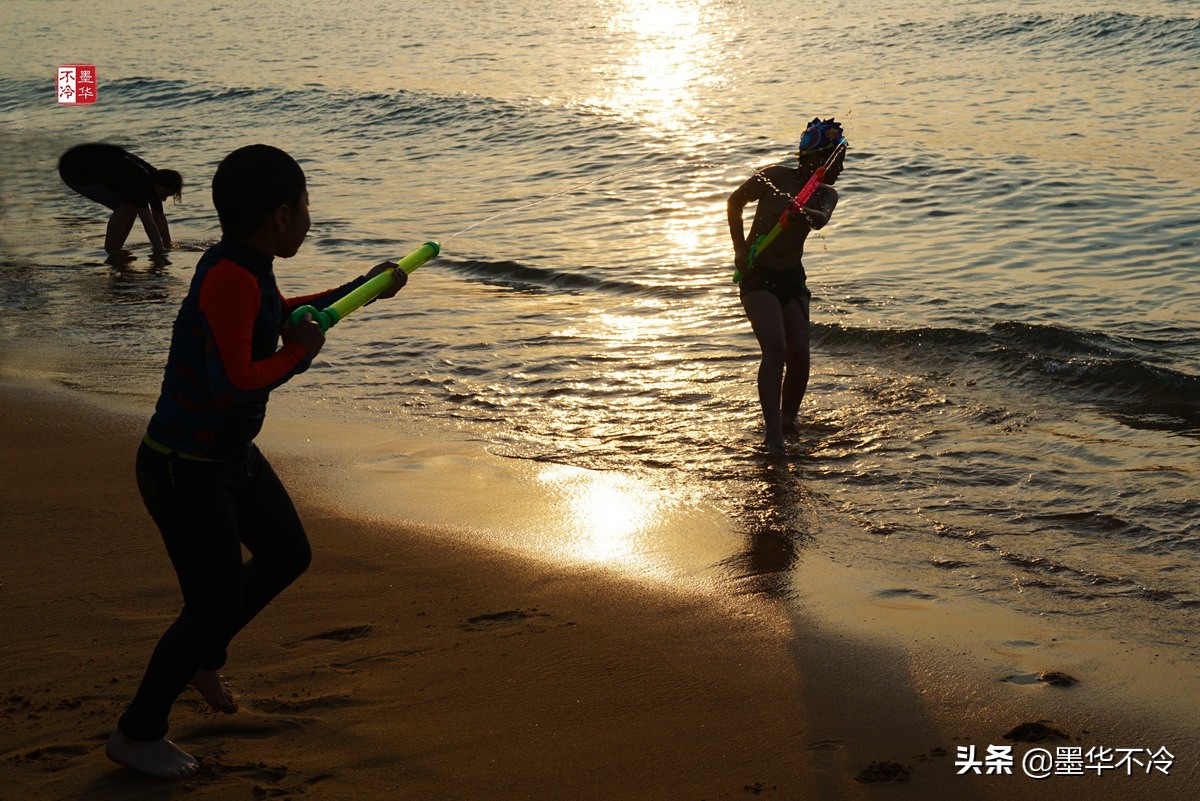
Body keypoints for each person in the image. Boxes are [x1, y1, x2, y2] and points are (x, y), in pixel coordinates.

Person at [105, 144, 407, 780]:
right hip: (183, 468)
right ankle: (137, 731)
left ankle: (202, 656)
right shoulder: (229, 276)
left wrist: (362, 289)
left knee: (286, 554)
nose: (308, 219)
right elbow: (236, 383)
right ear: (278, 216)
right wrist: (301, 353)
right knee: (210, 603)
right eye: (305, 208)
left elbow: (282, 314)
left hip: (225, 457)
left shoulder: (246, 265)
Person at [728, 118, 846, 453]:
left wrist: (801, 212)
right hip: (758, 273)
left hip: (792, 277)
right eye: (837, 160)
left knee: (800, 356)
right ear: (818, 159)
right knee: (776, 350)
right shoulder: (776, 176)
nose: (842, 167)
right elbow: (735, 202)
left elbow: (820, 219)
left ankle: (788, 419)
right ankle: (773, 437)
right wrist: (738, 248)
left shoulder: (825, 193)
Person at [58, 143, 182, 254]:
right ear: (157, 183)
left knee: (132, 206)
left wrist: (168, 243)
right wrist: (160, 251)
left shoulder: (154, 178)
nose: (164, 199)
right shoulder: (140, 184)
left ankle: (117, 249)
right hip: (74, 172)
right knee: (124, 208)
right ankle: (112, 250)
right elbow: (149, 225)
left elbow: (158, 216)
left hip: (92, 162)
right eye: (164, 194)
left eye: (167, 196)